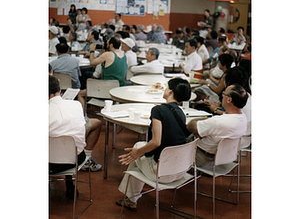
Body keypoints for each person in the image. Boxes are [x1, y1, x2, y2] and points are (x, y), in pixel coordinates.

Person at [117, 78, 192, 211]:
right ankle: (130, 198)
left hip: (161, 173)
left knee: (136, 152)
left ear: (170, 91)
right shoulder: (180, 113)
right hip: (181, 169)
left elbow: (156, 142)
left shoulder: (158, 110)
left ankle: (131, 199)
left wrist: (136, 153)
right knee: (139, 147)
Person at [49, 76, 103, 197]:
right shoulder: (76, 105)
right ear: (60, 92)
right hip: (75, 160)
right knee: (66, 141)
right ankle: (73, 180)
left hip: (48, 162)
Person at [187, 84, 248, 168]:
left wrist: (203, 122)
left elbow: (190, 126)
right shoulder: (243, 117)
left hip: (201, 158)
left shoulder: (217, 122)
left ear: (229, 100)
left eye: (224, 94)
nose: (222, 96)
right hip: (225, 157)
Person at [77, 36, 128, 110]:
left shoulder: (108, 54)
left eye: (107, 44)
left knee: (80, 94)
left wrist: (92, 51)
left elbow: (92, 62)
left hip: (106, 89)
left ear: (111, 45)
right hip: (119, 90)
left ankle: (82, 117)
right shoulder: (124, 56)